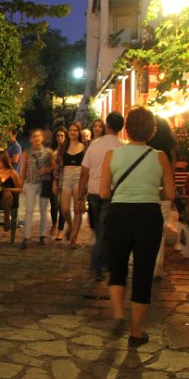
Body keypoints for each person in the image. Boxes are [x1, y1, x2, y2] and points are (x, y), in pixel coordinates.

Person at [100, 106, 175, 347]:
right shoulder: (159, 156)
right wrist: (151, 188)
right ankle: (135, 331)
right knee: (143, 273)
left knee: (117, 267)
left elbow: (103, 192)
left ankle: (119, 313)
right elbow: (170, 193)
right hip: (148, 216)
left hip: (119, 213)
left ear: (127, 128)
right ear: (151, 130)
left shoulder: (112, 155)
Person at [77, 112, 124, 280]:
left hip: (94, 192)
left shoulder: (95, 145)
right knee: (104, 231)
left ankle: (100, 264)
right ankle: (100, 264)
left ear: (107, 126)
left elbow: (84, 172)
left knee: (100, 230)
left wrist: (80, 196)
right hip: (112, 193)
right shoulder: (122, 146)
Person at [146, 116, 178, 278]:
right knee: (160, 231)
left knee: (146, 230)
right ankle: (157, 267)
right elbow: (171, 171)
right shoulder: (169, 149)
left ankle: (146, 263)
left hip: (148, 191)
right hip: (163, 192)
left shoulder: (146, 149)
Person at [20, 129, 55, 248]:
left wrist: (47, 169)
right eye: (34, 137)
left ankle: (42, 235)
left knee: (43, 210)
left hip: (44, 183)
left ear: (42, 138)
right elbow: (23, 170)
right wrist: (21, 185)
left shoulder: (48, 152)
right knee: (29, 210)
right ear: (31, 139)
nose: (36, 139)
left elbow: (54, 167)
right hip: (31, 183)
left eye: (38, 136)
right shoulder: (27, 152)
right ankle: (26, 236)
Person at [56, 122, 87, 248]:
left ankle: (74, 237)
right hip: (66, 177)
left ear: (79, 132)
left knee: (77, 209)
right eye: (71, 129)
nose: (73, 132)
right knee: (64, 208)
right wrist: (56, 182)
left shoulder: (84, 147)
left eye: (75, 130)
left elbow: (87, 166)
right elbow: (59, 167)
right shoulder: (64, 147)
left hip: (78, 177)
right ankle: (70, 225)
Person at [0, 150, 22, 231]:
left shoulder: (12, 172)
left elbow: (20, 189)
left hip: (11, 199)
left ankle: (7, 218)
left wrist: (7, 189)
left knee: (6, 193)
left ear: (4, 161)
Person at [48, 127, 67, 241]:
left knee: (63, 206)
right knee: (54, 205)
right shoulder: (52, 149)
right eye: (58, 135)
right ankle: (54, 223)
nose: (60, 138)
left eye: (62, 135)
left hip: (65, 179)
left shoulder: (68, 149)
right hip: (54, 179)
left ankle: (60, 230)